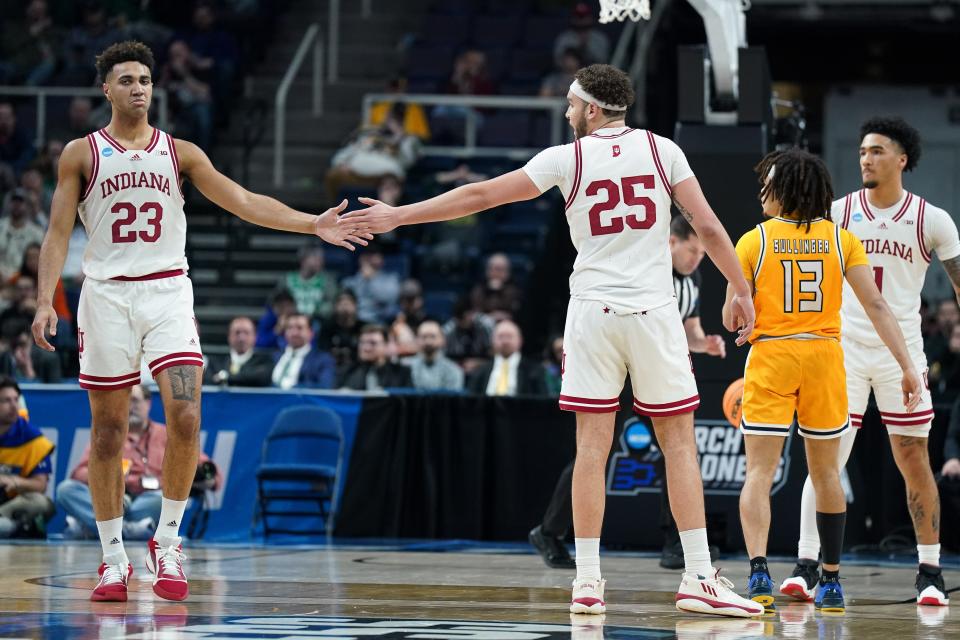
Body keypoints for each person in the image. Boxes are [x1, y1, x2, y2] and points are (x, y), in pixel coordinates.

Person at [341, 63, 763, 617]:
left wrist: (400, 216)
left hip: (591, 313)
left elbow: (483, 195)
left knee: (590, 450)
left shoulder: (567, 158)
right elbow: (707, 227)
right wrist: (739, 288)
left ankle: (587, 581)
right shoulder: (664, 151)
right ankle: (699, 577)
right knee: (679, 445)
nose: (566, 113)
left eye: (570, 105)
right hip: (653, 311)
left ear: (591, 108)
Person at [30, 40, 368, 604]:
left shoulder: (180, 152)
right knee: (109, 432)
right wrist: (46, 300)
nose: (139, 88)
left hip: (167, 294)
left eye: (146, 79)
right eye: (128, 80)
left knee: (185, 416)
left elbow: (241, 199)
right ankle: (113, 557)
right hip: (106, 297)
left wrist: (312, 224)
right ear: (106, 89)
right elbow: (58, 233)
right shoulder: (81, 154)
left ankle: (167, 540)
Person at [725, 148, 921, 614]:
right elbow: (876, 306)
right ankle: (830, 580)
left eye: (767, 185)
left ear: (784, 190)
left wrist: (742, 312)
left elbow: (733, 315)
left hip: (772, 355)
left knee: (759, 471)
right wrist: (907, 364)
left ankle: (757, 572)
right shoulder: (841, 239)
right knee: (828, 472)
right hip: (824, 357)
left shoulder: (754, 241)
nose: (761, 192)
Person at [780, 117, 959, 608]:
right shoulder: (837, 214)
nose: (865, 158)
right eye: (862, 151)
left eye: (877, 151)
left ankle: (928, 572)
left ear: (902, 159)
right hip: (843, 351)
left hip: (902, 354)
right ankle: (806, 565)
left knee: (913, 461)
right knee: (826, 460)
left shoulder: (931, 219)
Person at [56, 383, 221, 541]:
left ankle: (99, 530)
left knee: (164, 499)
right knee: (66, 490)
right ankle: (131, 531)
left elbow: (210, 473)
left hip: (145, 502)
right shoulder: (107, 434)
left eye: (134, 400)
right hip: (112, 498)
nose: (130, 406)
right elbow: (79, 474)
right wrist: (116, 478)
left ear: (148, 403)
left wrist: (205, 480)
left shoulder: (166, 434)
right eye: (125, 401)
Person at [0, 376, 55, 538]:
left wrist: (12, 481)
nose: (13, 406)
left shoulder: (33, 439)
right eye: (5, 401)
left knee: (41, 503)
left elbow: (40, 485)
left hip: (14, 504)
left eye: (15, 399)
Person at [466, 320, 547, 397]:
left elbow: (542, 402)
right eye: (500, 337)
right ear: (492, 341)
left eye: (509, 336)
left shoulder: (535, 370)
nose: (505, 341)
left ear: (520, 340)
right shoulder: (480, 371)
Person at [337, 324, 413, 390]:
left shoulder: (401, 374)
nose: (366, 348)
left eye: (373, 343)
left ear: (385, 345)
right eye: (362, 342)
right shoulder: (347, 372)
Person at [271, 313, 336, 389]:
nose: (294, 333)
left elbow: (324, 386)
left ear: (311, 333)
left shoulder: (323, 360)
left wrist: (290, 390)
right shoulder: (273, 356)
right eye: (290, 328)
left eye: (300, 328)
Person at [204, 316, 273, 387]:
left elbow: (261, 379)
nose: (241, 338)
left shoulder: (264, 361)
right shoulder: (216, 361)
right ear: (229, 336)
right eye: (237, 332)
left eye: (246, 333)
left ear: (255, 337)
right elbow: (209, 380)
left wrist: (225, 377)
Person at [280, 245, 338, 320]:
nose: (320, 261)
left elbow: (332, 304)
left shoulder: (327, 281)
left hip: (318, 323)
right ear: (303, 260)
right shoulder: (287, 279)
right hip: (291, 321)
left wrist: (316, 314)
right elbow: (277, 304)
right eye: (316, 258)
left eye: (321, 258)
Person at [406, 319, 464, 392]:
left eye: (433, 337)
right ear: (417, 339)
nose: (428, 342)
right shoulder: (406, 368)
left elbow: (453, 400)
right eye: (424, 337)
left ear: (442, 340)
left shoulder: (454, 371)